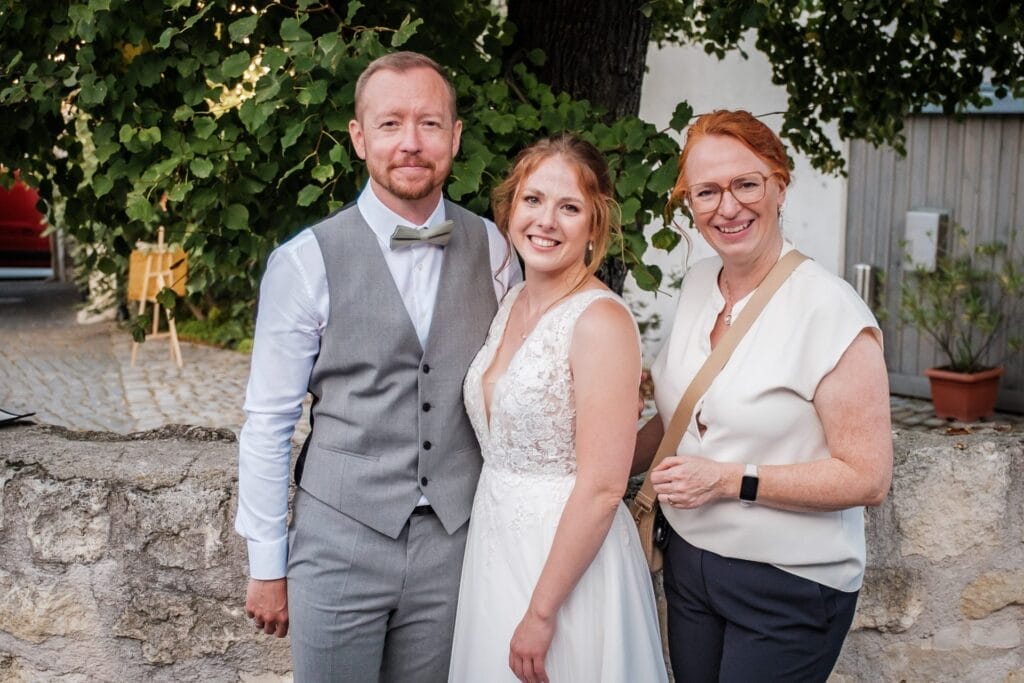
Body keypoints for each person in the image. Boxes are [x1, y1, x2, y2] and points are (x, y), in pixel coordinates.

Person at [234, 51, 520, 682]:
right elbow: (268, 421)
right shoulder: (304, 261)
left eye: (429, 123)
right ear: (360, 139)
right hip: (339, 541)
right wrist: (266, 562)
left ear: (455, 136)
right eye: (390, 125)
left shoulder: (497, 249)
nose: (411, 144)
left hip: (458, 544)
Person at [633, 109, 893, 682]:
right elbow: (679, 416)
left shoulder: (831, 310)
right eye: (706, 192)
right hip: (690, 566)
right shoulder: (700, 281)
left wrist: (728, 480)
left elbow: (867, 476)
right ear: (688, 204)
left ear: (779, 184)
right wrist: (591, 463)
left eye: (745, 184)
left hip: (788, 582)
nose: (728, 207)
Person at [448, 133, 668, 683]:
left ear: (594, 225)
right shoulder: (511, 302)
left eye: (569, 207)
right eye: (533, 200)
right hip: (495, 544)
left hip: (566, 565)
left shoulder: (601, 322)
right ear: (510, 207)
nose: (545, 220)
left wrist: (543, 612)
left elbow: (601, 486)